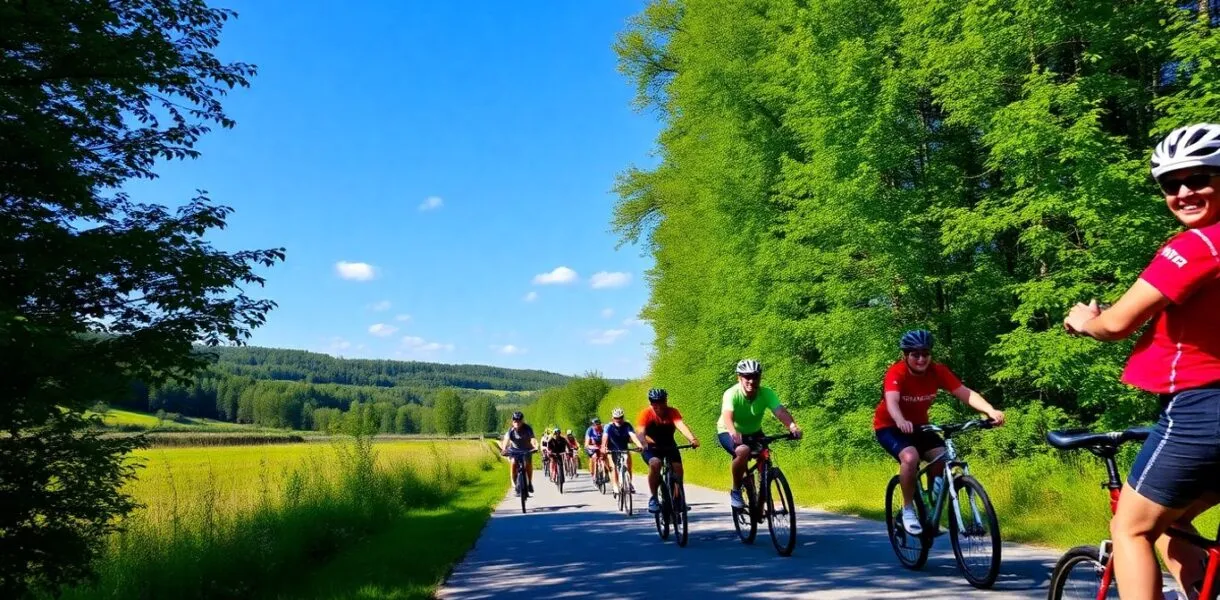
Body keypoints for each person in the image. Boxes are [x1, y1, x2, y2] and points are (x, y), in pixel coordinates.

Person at [1063, 122, 1220, 600]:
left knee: (1131, 528)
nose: (1185, 192)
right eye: (1171, 184)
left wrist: (1085, 319)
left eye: (1198, 177)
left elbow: (1116, 325)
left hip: (1203, 411)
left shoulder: (1197, 246)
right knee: (1176, 519)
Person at [873, 329, 1005, 536]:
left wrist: (990, 410)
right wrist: (900, 420)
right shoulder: (897, 372)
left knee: (943, 456)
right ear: (905, 355)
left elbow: (965, 393)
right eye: (915, 354)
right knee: (910, 457)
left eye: (925, 353)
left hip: (921, 427)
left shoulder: (938, 371)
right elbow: (892, 401)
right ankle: (908, 510)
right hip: (891, 427)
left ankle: (930, 508)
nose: (921, 359)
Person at [717, 359, 803, 509]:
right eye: (747, 377)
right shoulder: (731, 393)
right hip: (728, 431)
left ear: (760, 378)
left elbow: (780, 411)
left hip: (754, 431)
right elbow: (727, 415)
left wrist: (792, 426)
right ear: (739, 378)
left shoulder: (766, 393)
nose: (751, 381)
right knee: (742, 451)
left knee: (765, 455)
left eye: (755, 377)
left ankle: (763, 494)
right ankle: (736, 490)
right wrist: (733, 432)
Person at [638, 388, 699, 513]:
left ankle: (678, 499)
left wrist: (692, 439)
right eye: (655, 402)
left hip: (669, 445)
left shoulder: (672, 412)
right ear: (651, 403)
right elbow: (640, 432)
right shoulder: (646, 414)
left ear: (666, 401)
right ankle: (654, 498)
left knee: (678, 469)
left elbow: (681, 425)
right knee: (655, 463)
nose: (659, 405)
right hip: (652, 448)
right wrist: (643, 443)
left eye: (662, 401)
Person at [602, 407, 644, 496]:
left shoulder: (627, 425)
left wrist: (639, 445)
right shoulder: (608, 426)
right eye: (616, 418)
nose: (619, 420)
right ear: (612, 418)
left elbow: (632, 435)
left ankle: (629, 483)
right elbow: (605, 437)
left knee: (628, 464)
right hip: (612, 449)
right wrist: (603, 447)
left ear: (623, 417)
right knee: (613, 467)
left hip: (623, 448)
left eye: (620, 418)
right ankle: (615, 486)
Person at [499, 411, 536, 495]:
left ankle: (529, 483)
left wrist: (535, 446)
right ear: (512, 421)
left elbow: (532, 439)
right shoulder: (511, 430)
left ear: (522, 421)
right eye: (515, 421)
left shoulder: (528, 428)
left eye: (519, 420)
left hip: (527, 449)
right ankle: (515, 483)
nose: (517, 422)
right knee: (513, 463)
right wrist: (504, 449)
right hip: (514, 450)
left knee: (528, 464)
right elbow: (506, 440)